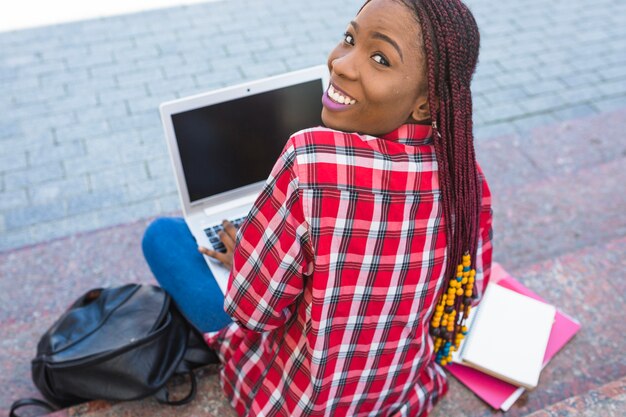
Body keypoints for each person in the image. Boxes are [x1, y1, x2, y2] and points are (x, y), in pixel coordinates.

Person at [142, 0, 493, 415]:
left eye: (380, 58)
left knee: (162, 237)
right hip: (397, 398)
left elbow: (253, 312)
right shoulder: (466, 182)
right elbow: (466, 294)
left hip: (292, 402)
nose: (342, 64)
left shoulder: (310, 161)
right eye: (350, 38)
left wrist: (247, 257)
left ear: (424, 102)